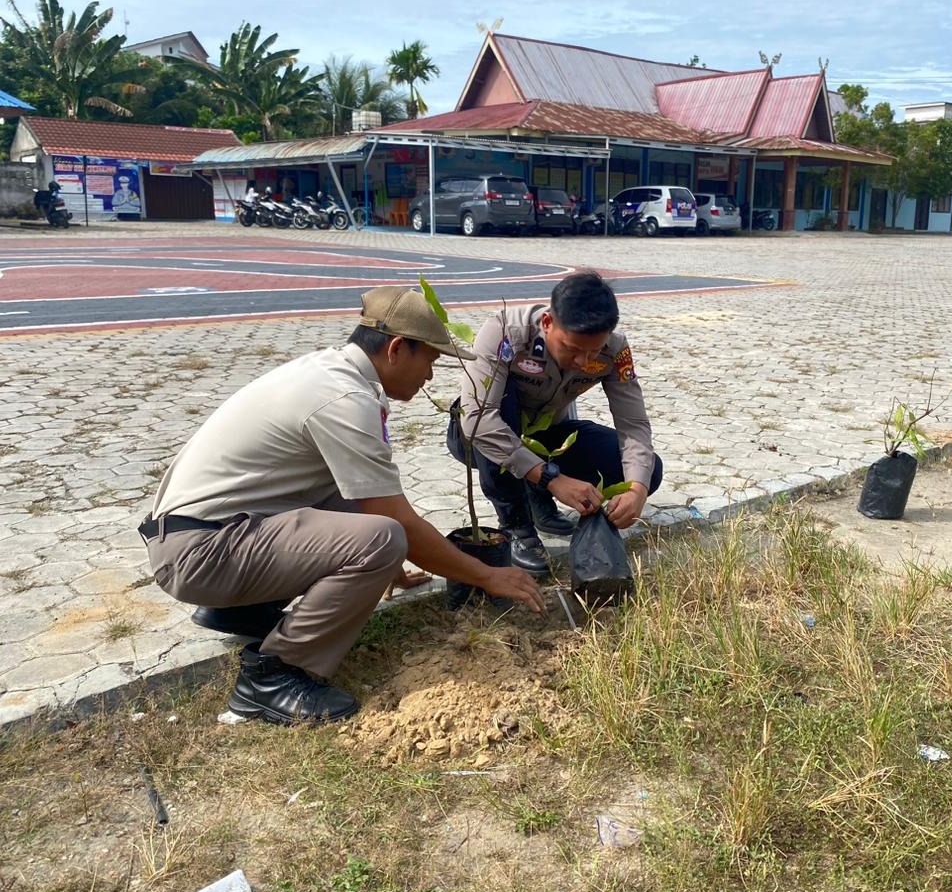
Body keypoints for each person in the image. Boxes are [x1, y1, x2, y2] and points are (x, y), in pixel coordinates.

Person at [140, 287, 546, 726]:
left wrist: (383, 566)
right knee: (383, 537)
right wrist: (487, 574)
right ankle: (272, 678)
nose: (430, 376)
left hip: (204, 535)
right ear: (396, 349)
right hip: (199, 553)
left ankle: (240, 608)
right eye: (429, 360)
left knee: (369, 521)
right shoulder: (344, 399)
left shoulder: (330, 373)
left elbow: (352, 495)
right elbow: (394, 522)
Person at [447, 270, 663, 575]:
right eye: (573, 350)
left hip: (545, 435)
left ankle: (537, 496)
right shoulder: (506, 332)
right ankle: (518, 526)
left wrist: (637, 490)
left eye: (594, 351)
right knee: (497, 410)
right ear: (548, 323)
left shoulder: (616, 350)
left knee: (649, 469)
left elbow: (634, 424)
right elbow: (478, 421)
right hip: (478, 436)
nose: (585, 362)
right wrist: (554, 479)